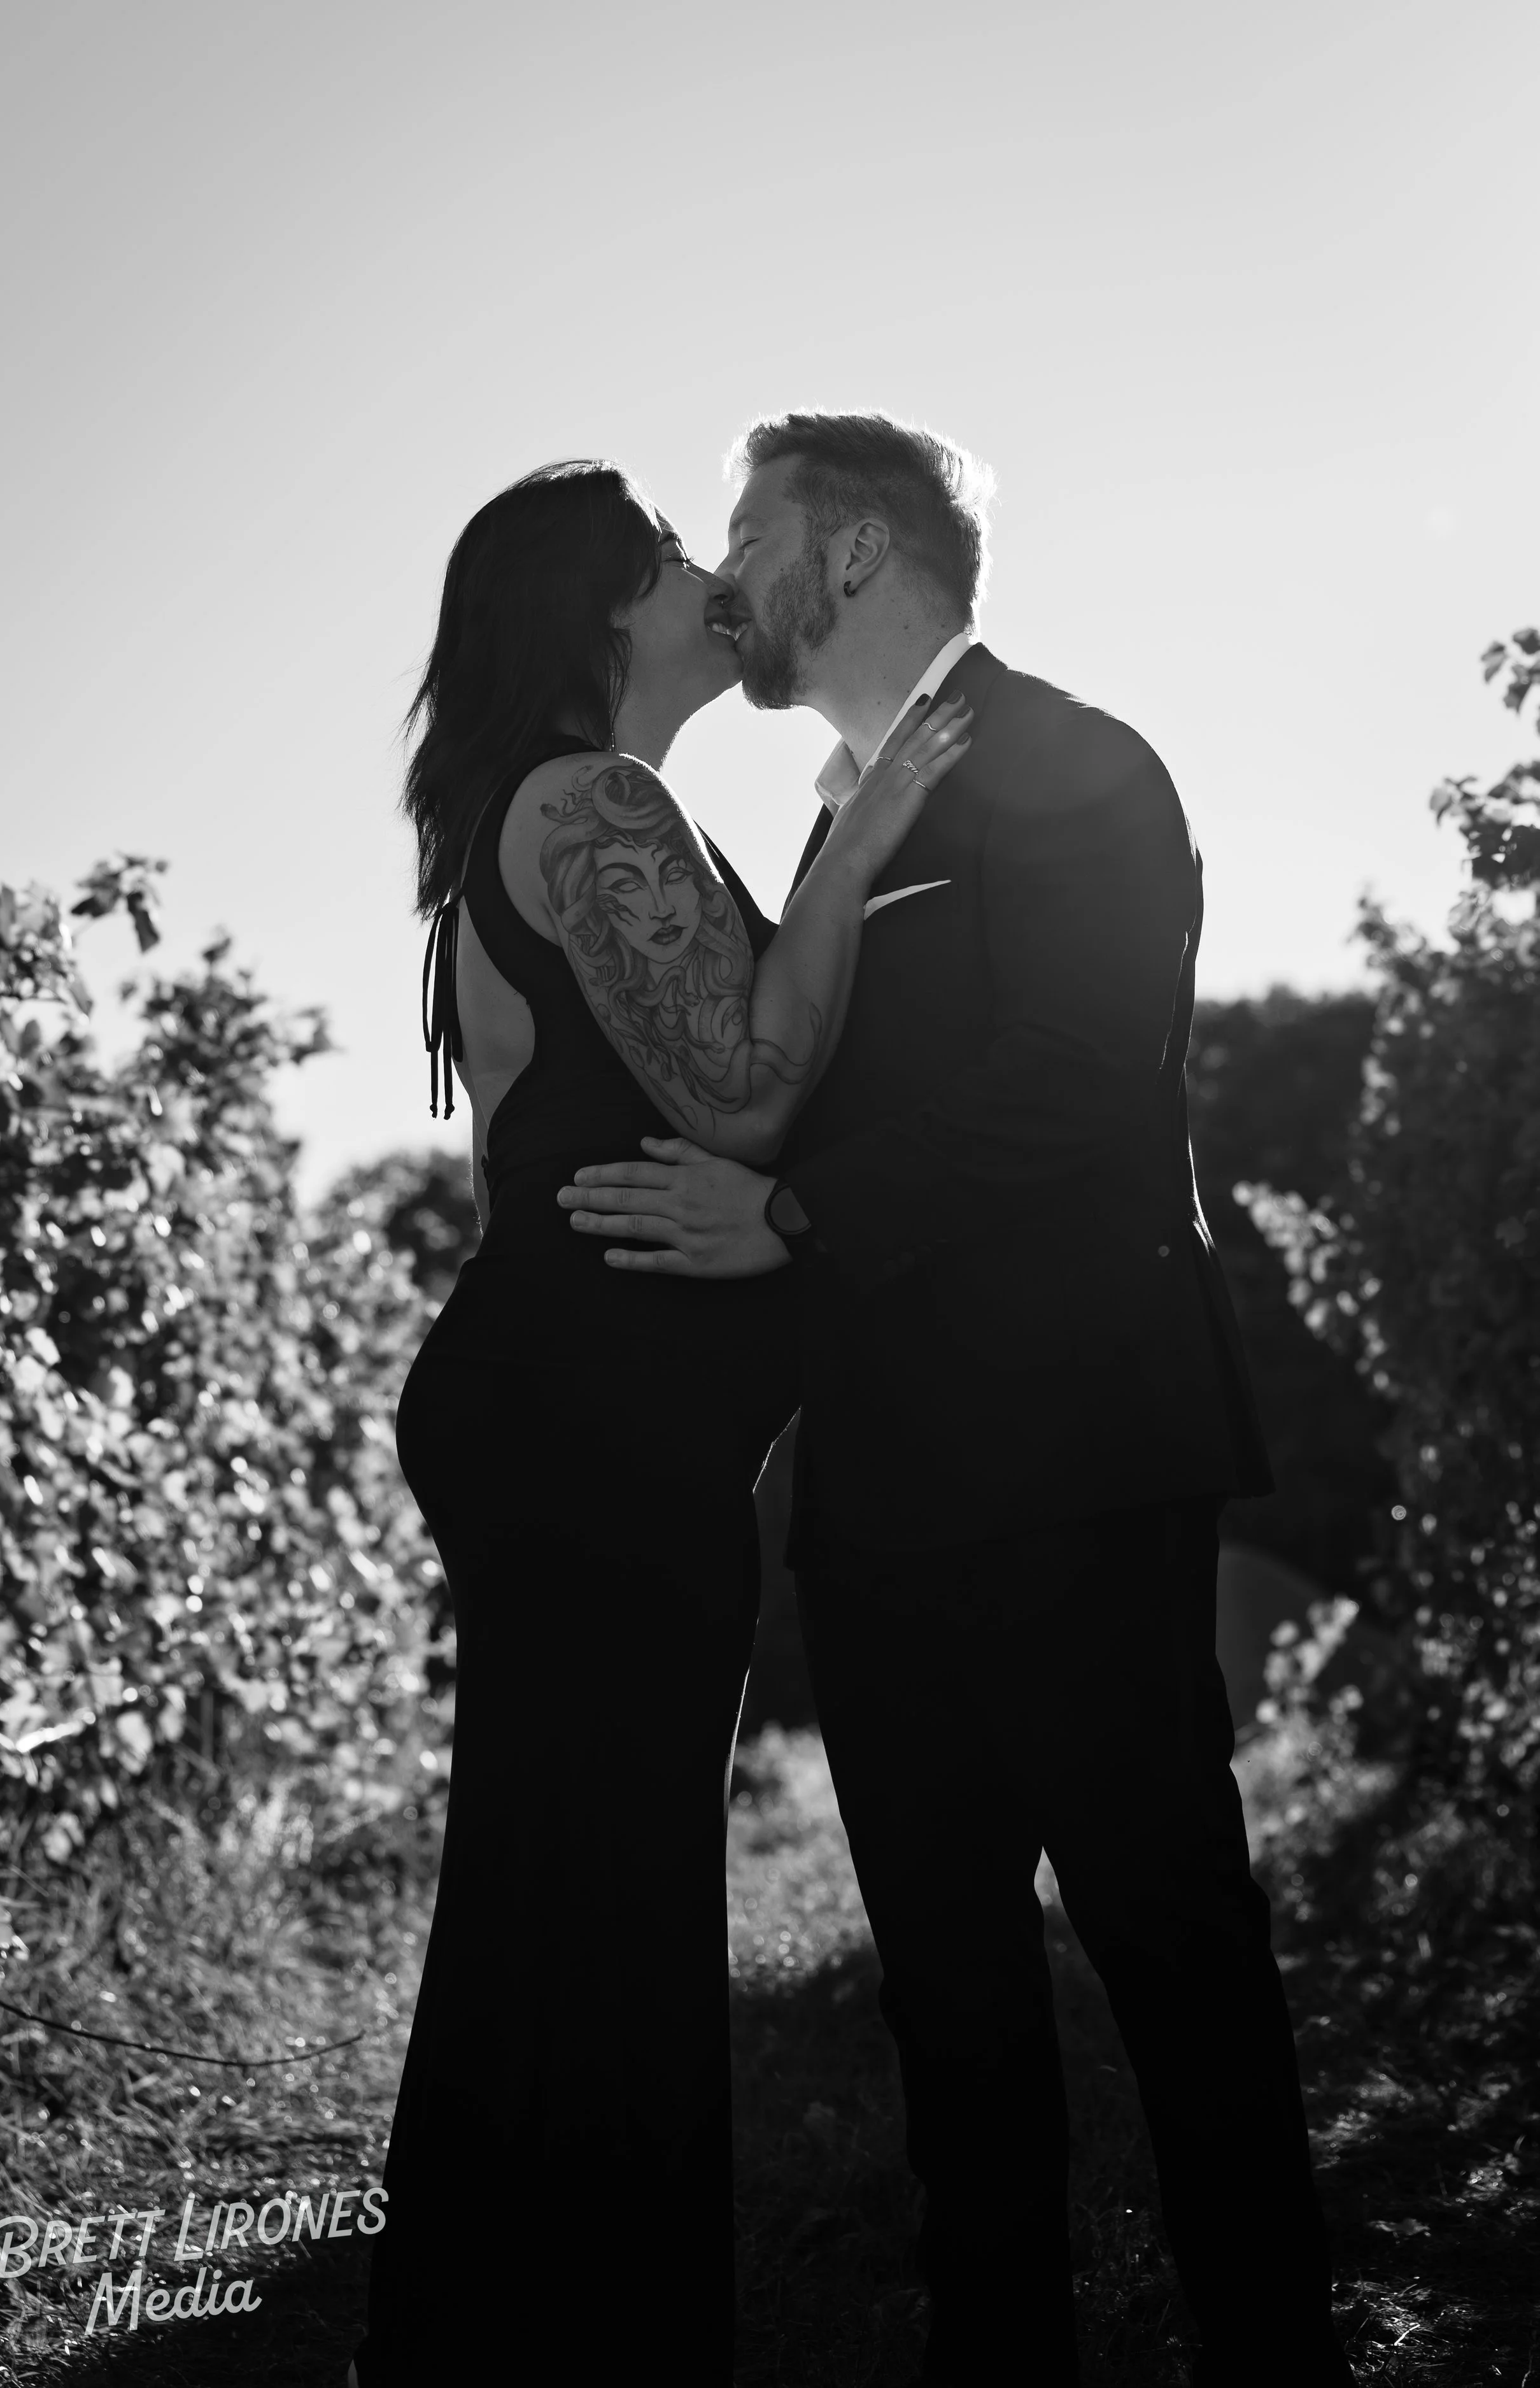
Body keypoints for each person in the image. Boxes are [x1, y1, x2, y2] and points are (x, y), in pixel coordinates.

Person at [562, 412, 1357, 2388]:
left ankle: (1278, 2353)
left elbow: (1078, 1077)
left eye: (746, 530)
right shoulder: (829, 822)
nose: (724, 575)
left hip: (1076, 1467)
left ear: (847, 553)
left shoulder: (1077, 762)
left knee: (1172, 1952)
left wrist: (793, 1213)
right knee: (944, 1996)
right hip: (877, 1503)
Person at [350, 457, 971, 2388]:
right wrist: (858, 848)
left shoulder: (567, 808)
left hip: (577, 1423)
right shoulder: (593, 803)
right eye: (677, 556)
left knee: (561, 1892)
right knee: (604, 1901)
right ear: (606, 611)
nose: (715, 576)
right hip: (590, 1436)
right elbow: (746, 1092)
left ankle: (496, 2331)